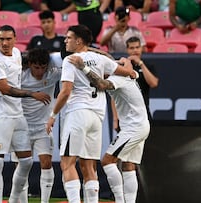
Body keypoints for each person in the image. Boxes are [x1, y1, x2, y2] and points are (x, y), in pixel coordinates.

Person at [45, 25, 135, 203]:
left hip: (78, 114)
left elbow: (65, 92)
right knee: (88, 166)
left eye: (69, 37)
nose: (65, 41)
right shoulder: (100, 59)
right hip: (97, 117)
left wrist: (53, 115)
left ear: (78, 40)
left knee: (67, 163)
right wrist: (129, 64)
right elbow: (129, 74)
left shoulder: (71, 60)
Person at [69, 54, 150, 203]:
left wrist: (84, 67)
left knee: (107, 161)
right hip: (138, 125)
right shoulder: (127, 73)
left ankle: (120, 200)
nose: (101, 70)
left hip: (134, 127)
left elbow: (101, 84)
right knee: (128, 165)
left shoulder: (118, 78)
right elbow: (121, 64)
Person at [0, 25, 51, 203]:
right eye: (1, 39)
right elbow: (4, 89)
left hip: (17, 114)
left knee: (27, 161)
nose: (4, 43)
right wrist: (31, 94)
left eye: (8, 39)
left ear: (15, 38)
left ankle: (14, 200)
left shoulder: (16, 54)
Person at [13, 48, 62, 203]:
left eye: (43, 67)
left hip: (43, 127)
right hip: (22, 128)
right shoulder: (19, 77)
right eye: (36, 67)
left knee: (46, 163)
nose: (40, 71)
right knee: (21, 166)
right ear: (29, 64)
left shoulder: (53, 74)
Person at [111, 36, 158, 128]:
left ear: (141, 48)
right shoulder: (122, 67)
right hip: (125, 114)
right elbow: (114, 95)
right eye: (132, 48)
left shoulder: (148, 66)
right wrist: (115, 119)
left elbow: (153, 83)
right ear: (127, 50)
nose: (135, 50)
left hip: (143, 112)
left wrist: (141, 64)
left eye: (137, 47)